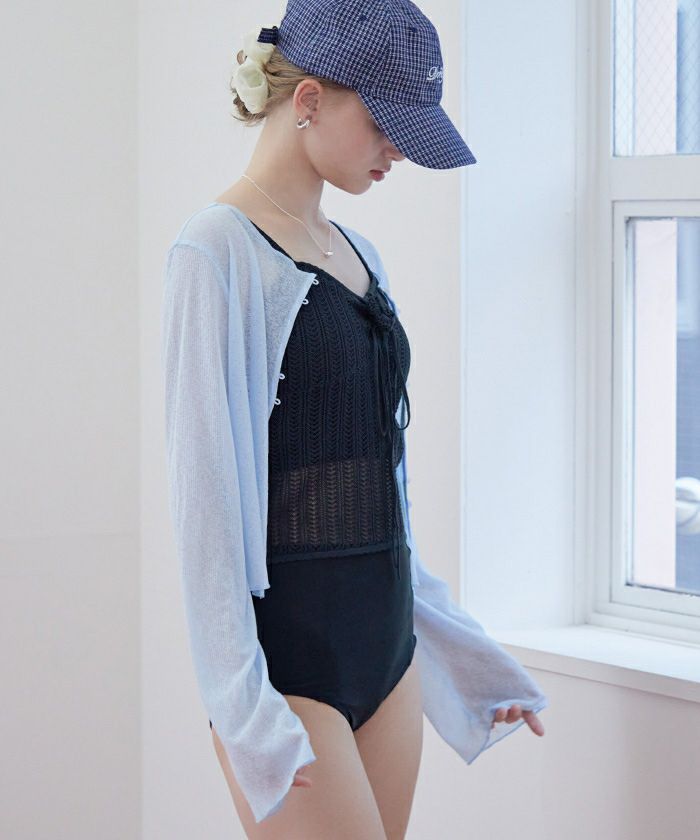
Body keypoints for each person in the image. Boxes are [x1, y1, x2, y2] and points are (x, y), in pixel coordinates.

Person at [161, 2, 548, 838]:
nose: (397, 150)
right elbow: (203, 500)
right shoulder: (215, 253)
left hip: (388, 649)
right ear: (308, 101)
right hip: (289, 661)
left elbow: (385, 492)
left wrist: (470, 658)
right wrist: (241, 702)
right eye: (383, 125)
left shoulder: (362, 256)